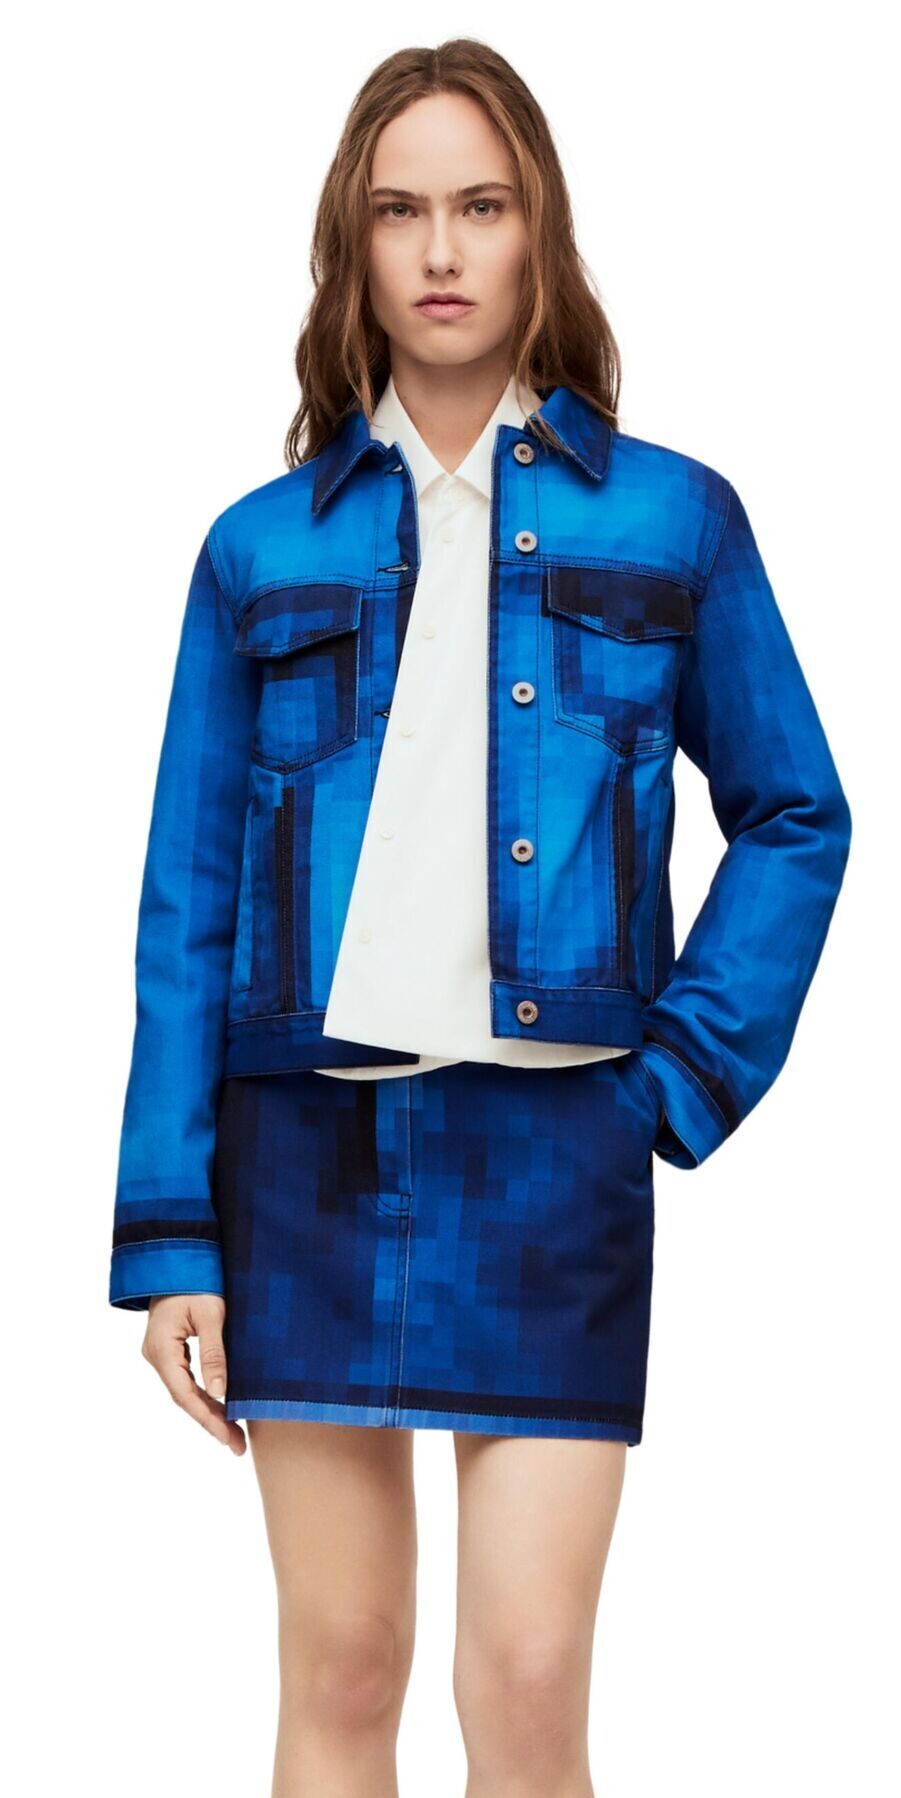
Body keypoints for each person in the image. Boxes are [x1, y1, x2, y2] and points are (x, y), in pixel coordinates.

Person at [107, 38, 852, 1797]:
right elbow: (187, 904)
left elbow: (795, 812)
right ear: (351, 247)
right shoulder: (258, 550)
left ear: (538, 235)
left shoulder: (670, 518)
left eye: (480, 206)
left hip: (551, 1157)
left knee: (523, 1683)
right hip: (304, 1155)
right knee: (342, 1663)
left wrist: (677, 1076)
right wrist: (169, 1231)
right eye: (398, 212)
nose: (440, 250)